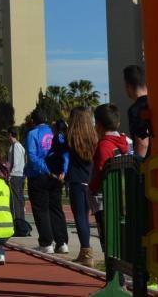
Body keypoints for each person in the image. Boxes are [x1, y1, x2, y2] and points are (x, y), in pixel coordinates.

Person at [25, 108, 69, 254]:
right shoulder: (53, 132)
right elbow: (64, 152)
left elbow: (32, 156)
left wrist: (46, 170)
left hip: (39, 175)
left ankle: (46, 242)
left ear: (32, 121)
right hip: (56, 175)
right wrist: (62, 170)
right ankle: (62, 242)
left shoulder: (32, 134)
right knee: (56, 209)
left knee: (41, 210)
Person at [89, 104, 129, 254]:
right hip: (123, 197)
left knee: (108, 242)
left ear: (98, 125)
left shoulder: (104, 146)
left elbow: (101, 171)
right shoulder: (126, 142)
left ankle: (114, 274)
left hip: (106, 201)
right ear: (117, 123)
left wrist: (91, 187)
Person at [66, 106, 97, 267]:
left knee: (80, 217)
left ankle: (86, 252)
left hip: (77, 180)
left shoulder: (71, 137)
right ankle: (85, 251)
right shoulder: (93, 137)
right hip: (90, 179)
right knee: (86, 216)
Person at [124, 65, 151, 159]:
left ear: (128, 86)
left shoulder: (135, 109)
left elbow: (142, 143)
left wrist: (138, 165)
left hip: (149, 165)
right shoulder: (157, 103)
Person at [6, 126, 27, 228]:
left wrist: (10, 175)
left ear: (10, 134)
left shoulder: (16, 146)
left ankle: (18, 222)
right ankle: (19, 222)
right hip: (19, 176)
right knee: (18, 200)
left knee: (15, 202)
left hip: (16, 176)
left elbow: (16, 162)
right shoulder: (17, 146)